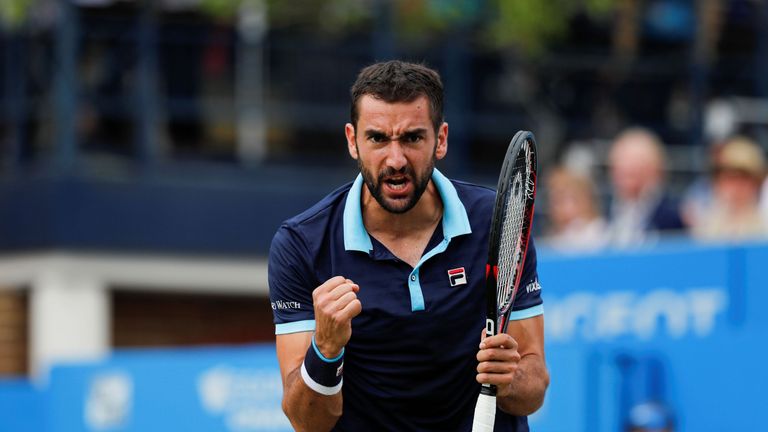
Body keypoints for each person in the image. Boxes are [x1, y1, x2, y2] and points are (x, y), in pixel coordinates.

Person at [268, 61, 549, 431]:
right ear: (353, 141)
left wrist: (510, 380)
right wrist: (325, 349)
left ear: (441, 139)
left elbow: (534, 387)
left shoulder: (495, 224)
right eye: (378, 139)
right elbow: (307, 421)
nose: (396, 160)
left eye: (413, 138)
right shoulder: (301, 244)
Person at [605, 127, 685, 247]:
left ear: (654, 168)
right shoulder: (607, 213)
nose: (625, 169)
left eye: (633, 164)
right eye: (619, 164)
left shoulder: (673, 215)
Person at [691, 136, 768, 240]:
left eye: (743, 179)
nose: (735, 187)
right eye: (729, 178)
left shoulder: (764, 222)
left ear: (755, 182)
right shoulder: (705, 224)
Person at [543, 165, 608, 251]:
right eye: (553, 199)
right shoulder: (553, 237)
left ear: (584, 200)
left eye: (562, 198)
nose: (555, 205)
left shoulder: (599, 232)